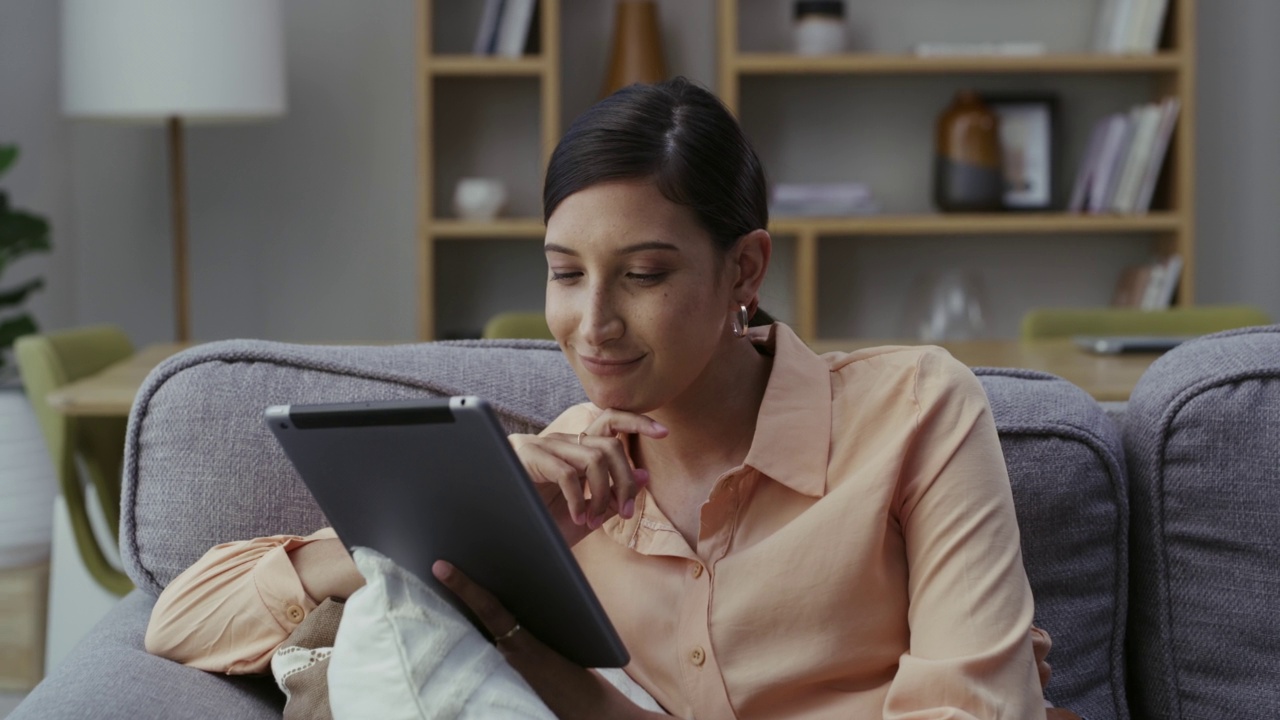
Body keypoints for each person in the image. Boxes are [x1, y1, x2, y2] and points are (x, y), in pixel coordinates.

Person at [147, 77, 1073, 719]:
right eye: (565, 273)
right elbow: (180, 621)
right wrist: (433, 515)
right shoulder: (552, 480)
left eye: (642, 274)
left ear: (744, 267)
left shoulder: (916, 412)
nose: (593, 323)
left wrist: (590, 704)